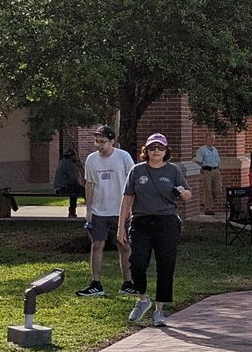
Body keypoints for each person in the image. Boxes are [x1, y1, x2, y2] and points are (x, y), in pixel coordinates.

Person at [121, 133, 190, 325]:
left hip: (167, 221)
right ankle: (143, 299)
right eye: (152, 148)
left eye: (160, 148)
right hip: (141, 222)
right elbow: (126, 199)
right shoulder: (137, 170)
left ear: (166, 151)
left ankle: (159, 310)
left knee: (165, 265)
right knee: (137, 263)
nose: (156, 151)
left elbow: (187, 194)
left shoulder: (173, 171)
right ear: (146, 151)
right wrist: (120, 228)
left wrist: (183, 193)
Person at [76, 126, 133, 297]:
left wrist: (130, 207)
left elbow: (132, 183)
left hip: (120, 210)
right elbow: (90, 184)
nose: (99, 145)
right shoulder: (91, 159)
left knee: (124, 245)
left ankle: (128, 283)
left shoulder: (123, 157)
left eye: (103, 142)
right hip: (99, 210)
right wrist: (89, 209)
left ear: (112, 141)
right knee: (97, 245)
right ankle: (95, 283)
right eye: (97, 142)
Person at [189, 138, 223, 214]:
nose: (212, 141)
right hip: (207, 171)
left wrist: (218, 170)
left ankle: (205, 202)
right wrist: (202, 171)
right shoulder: (201, 149)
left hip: (216, 170)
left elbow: (218, 161)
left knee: (218, 189)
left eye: (213, 139)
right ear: (206, 140)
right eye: (210, 139)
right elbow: (198, 161)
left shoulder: (215, 150)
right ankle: (208, 208)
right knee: (208, 190)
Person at [52, 142, 83, 219]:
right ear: (72, 156)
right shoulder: (69, 164)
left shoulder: (62, 162)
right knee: (84, 191)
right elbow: (73, 179)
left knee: (75, 191)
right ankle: (74, 212)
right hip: (63, 188)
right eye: (75, 155)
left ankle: (72, 212)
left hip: (58, 187)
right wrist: (78, 167)